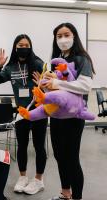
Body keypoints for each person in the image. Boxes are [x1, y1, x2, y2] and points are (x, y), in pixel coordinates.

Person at [36, 23, 95, 200]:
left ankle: (77, 197)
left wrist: (57, 83)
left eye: (66, 34)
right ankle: (65, 194)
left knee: (71, 158)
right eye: (59, 36)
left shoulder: (82, 58)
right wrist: (44, 84)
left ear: (74, 36)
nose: (63, 39)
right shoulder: (56, 59)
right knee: (59, 156)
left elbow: (85, 86)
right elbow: (56, 91)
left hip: (74, 116)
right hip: (56, 115)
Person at [0, 34, 48, 195]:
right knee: (21, 146)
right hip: (22, 113)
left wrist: (42, 85)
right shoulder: (10, 67)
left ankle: (38, 180)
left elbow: (49, 84)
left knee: (38, 146)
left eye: (26, 45)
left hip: (39, 112)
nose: (23, 47)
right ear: (15, 48)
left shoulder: (37, 63)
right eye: (20, 45)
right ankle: (22, 177)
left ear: (30, 46)